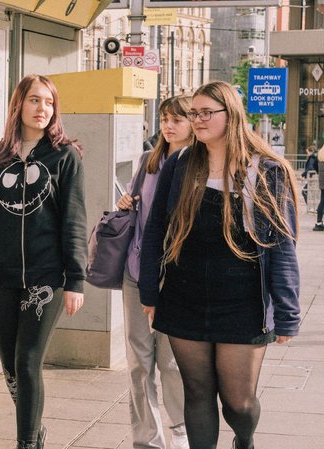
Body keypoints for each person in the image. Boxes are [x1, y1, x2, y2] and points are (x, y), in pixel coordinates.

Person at [139, 81, 301, 449]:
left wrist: (288, 313)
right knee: (196, 392)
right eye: (193, 113)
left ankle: (244, 440)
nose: (197, 120)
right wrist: (150, 289)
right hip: (183, 295)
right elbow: (154, 232)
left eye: (206, 113)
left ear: (232, 115)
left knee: (239, 404)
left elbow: (281, 246)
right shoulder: (179, 164)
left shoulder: (265, 170)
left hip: (243, 303)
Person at [0, 74, 87, 449]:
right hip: (0, 274)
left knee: (28, 359)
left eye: (48, 102)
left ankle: (26, 443)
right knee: (12, 369)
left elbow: (74, 220)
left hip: (47, 277)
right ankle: (35, 428)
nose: (42, 109)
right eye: (35, 100)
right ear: (19, 104)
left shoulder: (65, 156)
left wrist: (76, 280)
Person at [116, 96, 192, 449]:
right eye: (164, 118)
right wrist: (125, 203)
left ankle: (179, 431)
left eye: (177, 118)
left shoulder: (198, 164)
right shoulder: (149, 160)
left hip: (177, 278)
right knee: (138, 363)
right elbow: (136, 204)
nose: (168, 125)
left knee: (172, 362)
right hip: (137, 270)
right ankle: (147, 439)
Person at [315, 144, 324, 231]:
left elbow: (315, 166)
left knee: (322, 202)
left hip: (322, 181)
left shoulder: (320, 154)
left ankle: (319, 221)